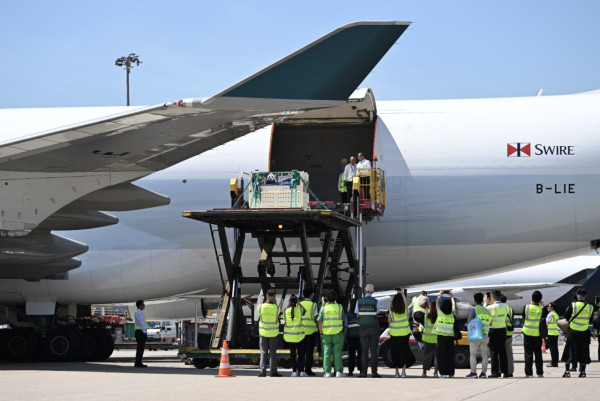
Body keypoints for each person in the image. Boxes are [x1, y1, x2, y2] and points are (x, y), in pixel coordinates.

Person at [563, 288, 594, 378]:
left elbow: (566, 316)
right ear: (586, 296)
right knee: (583, 352)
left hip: (573, 332)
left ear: (577, 296)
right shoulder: (590, 307)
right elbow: (590, 319)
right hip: (584, 332)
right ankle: (583, 372)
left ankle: (567, 371)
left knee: (569, 351)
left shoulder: (573, 305)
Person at [318, 289, 347, 377]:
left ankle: (327, 372)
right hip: (338, 334)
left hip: (326, 334)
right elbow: (342, 319)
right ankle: (338, 372)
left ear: (327, 298)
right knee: (337, 353)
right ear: (335, 298)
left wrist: (321, 333)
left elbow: (319, 322)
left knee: (326, 353)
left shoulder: (323, 308)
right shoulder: (339, 307)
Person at [356, 283, 381, 378]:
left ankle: (363, 372)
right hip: (374, 327)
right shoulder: (376, 302)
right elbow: (377, 313)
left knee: (364, 350)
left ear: (365, 291)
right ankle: (374, 372)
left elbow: (357, 314)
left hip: (363, 327)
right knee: (374, 350)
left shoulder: (359, 301)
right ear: (373, 292)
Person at [466, 292, 491, 378]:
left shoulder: (474, 309)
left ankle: (473, 373)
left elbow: (469, 320)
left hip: (476, 335)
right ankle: (483, 373)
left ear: (475, 300)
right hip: (485, 335)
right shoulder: (487, 311)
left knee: (473, 354)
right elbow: (490, 322)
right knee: (484, 355)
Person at [258, 288, 282, 377]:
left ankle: (262, 372)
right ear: (274, 297)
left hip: (263, 332)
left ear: (266, 296)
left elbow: (259, 315)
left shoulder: (260, 307)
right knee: (272, 352)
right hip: (273, 333)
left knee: (263, 352)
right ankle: (273, 372)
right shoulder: (277, 308)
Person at [388, 291, 412, 377]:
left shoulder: (391, 310)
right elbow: (405, 303)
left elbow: (389, 321)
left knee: (395, 352)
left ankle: (396, 372)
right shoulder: (405, 309)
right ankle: (403, 372)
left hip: (394, 334)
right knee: (404, 352)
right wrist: (402, 294)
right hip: (405, 333)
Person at [434, 290, 456, 378]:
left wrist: (440, 295)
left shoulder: (440, 313)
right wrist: (452, 297)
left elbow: (437, 303)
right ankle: (451, 373)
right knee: (450, 355)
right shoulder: (452, 313)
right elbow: (454, 305)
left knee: (442, 355)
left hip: (441, 337)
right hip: (450, 337)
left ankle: (442, 373)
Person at [487, 290, 509, 378]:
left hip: (493, 331)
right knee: (502, 351)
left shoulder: (490, 308)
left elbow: (489, 321)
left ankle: (495, 372)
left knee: (494, 352)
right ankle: (505, 372)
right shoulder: (506, 306)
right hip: (503, 330)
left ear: (492, 298)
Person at [522, 290, 544, 378]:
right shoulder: (542, 310)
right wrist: (542, 306)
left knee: (528, 354)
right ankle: (540, 372)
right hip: (537, 334)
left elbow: (524, 317)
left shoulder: (526, 307)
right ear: (540, 300)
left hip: (527, 333)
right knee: (538, 354)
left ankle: (529, 373)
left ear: (531, 298)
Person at [283, 294, 306, 377]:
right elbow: (305, 311)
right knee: (301, 354)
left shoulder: (285, 311)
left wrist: (289, 305)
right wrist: (299, 303)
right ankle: (302, 371)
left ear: (289, 302)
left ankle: (294, 371)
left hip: (290, 337)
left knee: (292, 354)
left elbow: (284, 318)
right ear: (297, 301)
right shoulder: (300, 310)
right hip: (299, 336)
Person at [300, 288, 319, 376]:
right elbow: (316, 318)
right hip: (311, 331)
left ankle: (300, 369)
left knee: (301, 351)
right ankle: (308, 370)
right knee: (309, 351)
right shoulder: (313, 305)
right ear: (311, 295)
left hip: (301, 331)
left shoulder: (299, 305)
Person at [420, 298, 439, 378]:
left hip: (427, 338)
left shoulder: (426, 315)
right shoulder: (438, 316)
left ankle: (424, 372)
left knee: (426, 356)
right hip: (436, 339)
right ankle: (435, 373)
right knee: (436, 357)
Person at [346, 299, 362, 376]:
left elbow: (346, 326)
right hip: (360, 337)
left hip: (350, 337)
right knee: (360, 354)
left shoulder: (348, 315)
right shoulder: (360, 315)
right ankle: (361, 370)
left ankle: (350, 371)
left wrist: (345, 336)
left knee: (351, 355)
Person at [502, 294, 515, 377]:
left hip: (501, 333)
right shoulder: (510, 309)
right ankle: (510, 371)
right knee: (509, 354)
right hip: (509, 333)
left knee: (500, 354)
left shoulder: (499, 308)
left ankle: (500, 370)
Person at [133, 300, 148, 368]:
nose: (144, 306)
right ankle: (138, 363)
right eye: (143, 305)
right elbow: (141, 323)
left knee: (140, 348)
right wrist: (144, 332)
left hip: (140, 331)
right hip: (140, 332)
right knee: (140, 348)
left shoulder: (139, 312)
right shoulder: (139, 313)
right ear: (139, 306)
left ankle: (138, 362)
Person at [545, 302, 560, 367]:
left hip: (551, 333)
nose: (548, 307)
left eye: (549, 306)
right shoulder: (556, 314)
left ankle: (553, 363)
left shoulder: (550, 314)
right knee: (555, 349)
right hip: (556, 333)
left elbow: (546, 322)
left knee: (552, 349)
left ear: (552, 308)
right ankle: (555, 362)